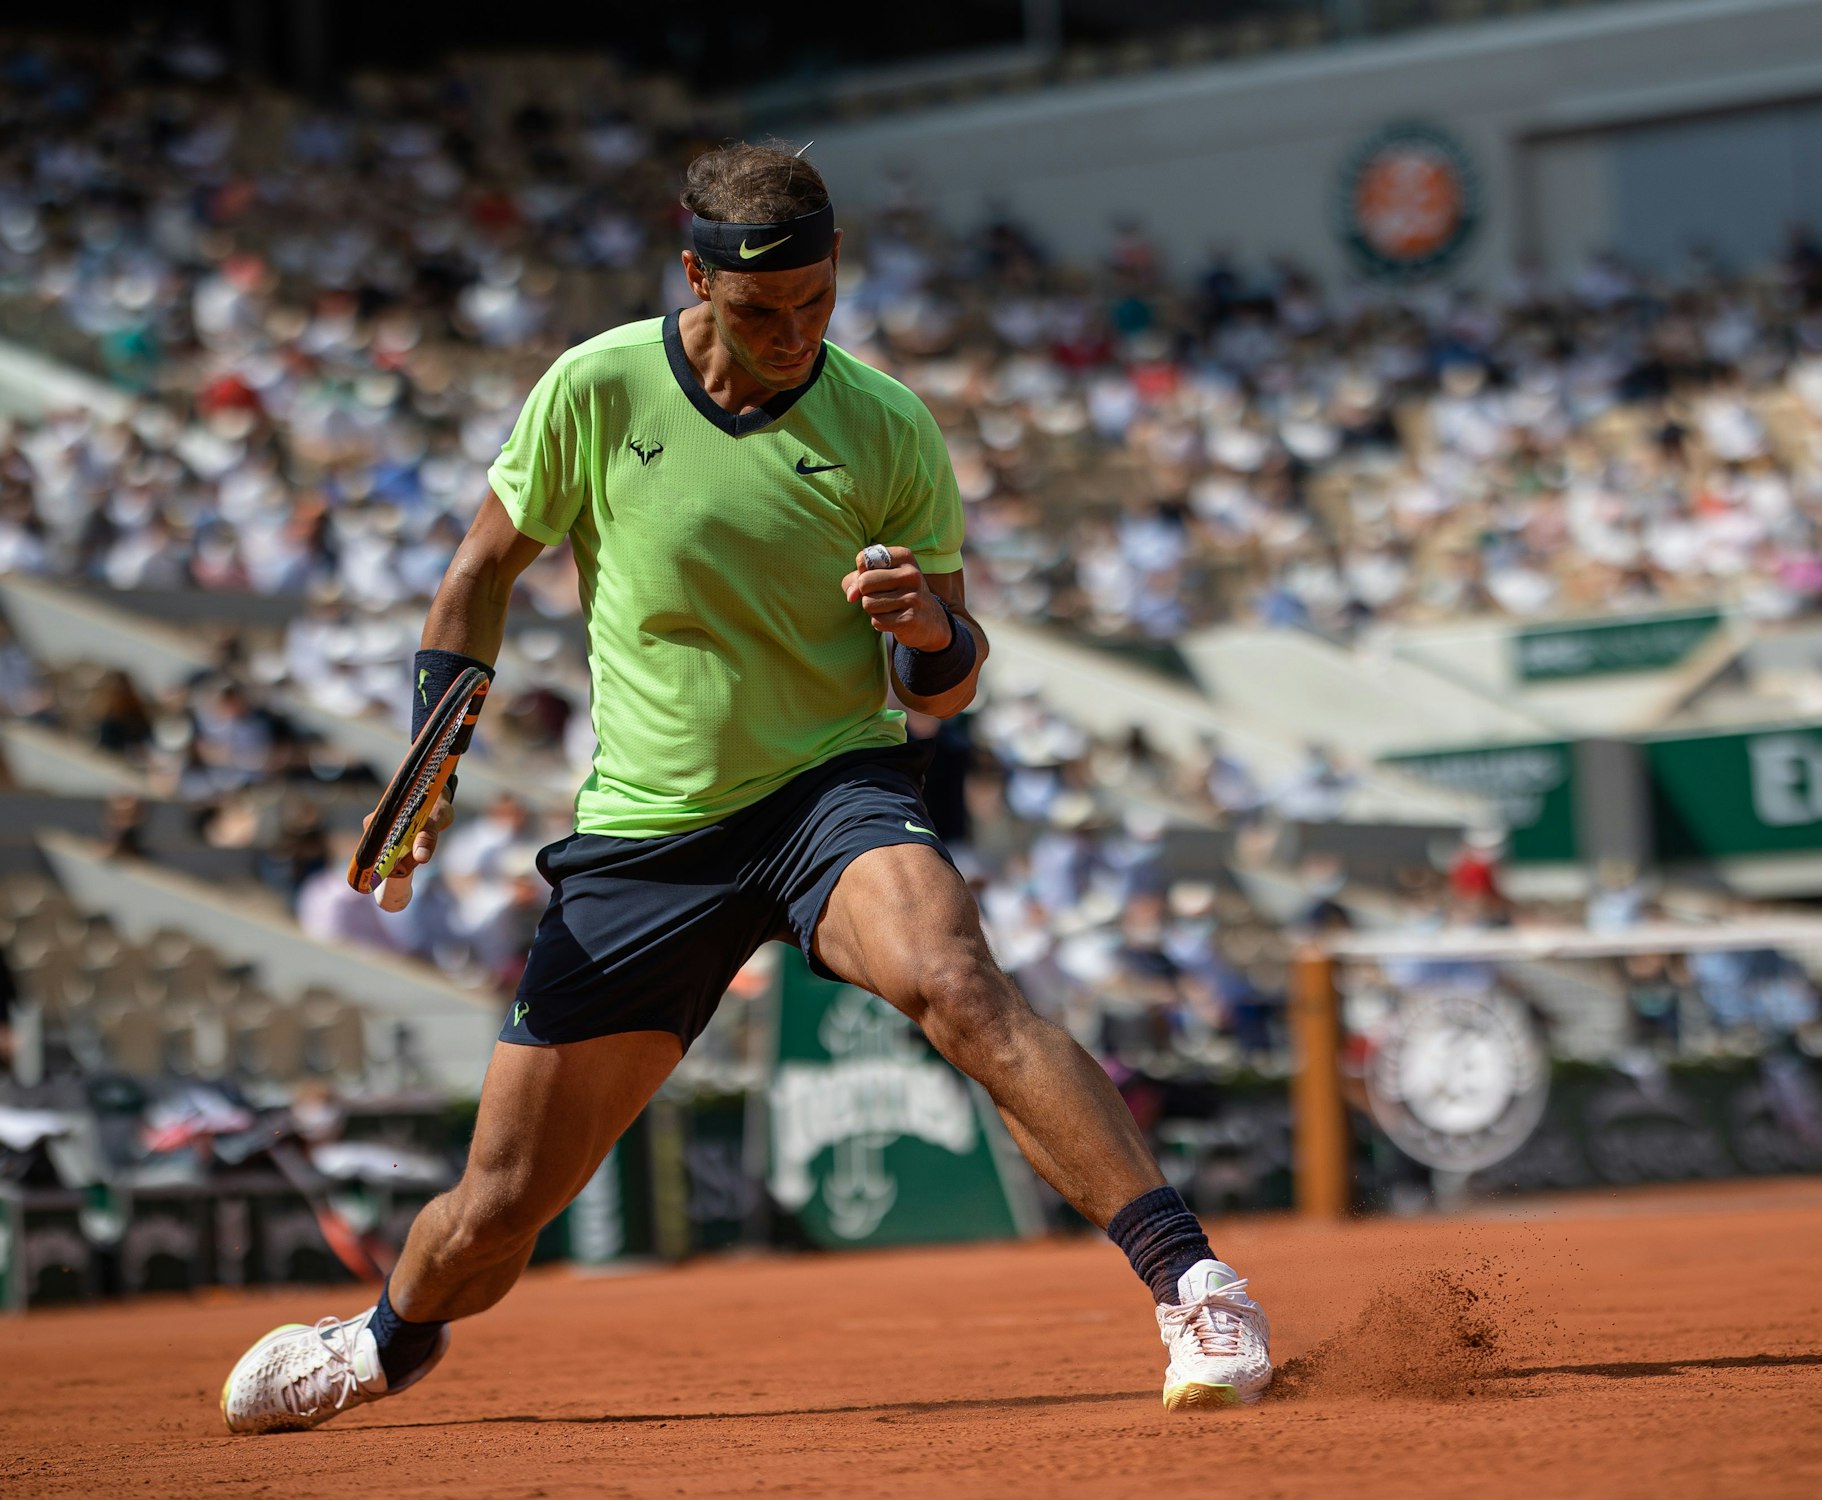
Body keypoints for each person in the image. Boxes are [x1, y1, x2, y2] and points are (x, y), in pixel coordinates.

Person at [219, 142, 1272, 1434]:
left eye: (820, 302)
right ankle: (385, 1341)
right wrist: (438, 747)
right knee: (498, 1209)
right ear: (697, 279)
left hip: (828, 788)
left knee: (958, 983)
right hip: (646, 836)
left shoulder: (886, 424)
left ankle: (1195, 1285)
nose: (796, 334)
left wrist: (929, 634)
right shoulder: (595, 387)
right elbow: (481, 571)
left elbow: (945, 686)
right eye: (765, 310)